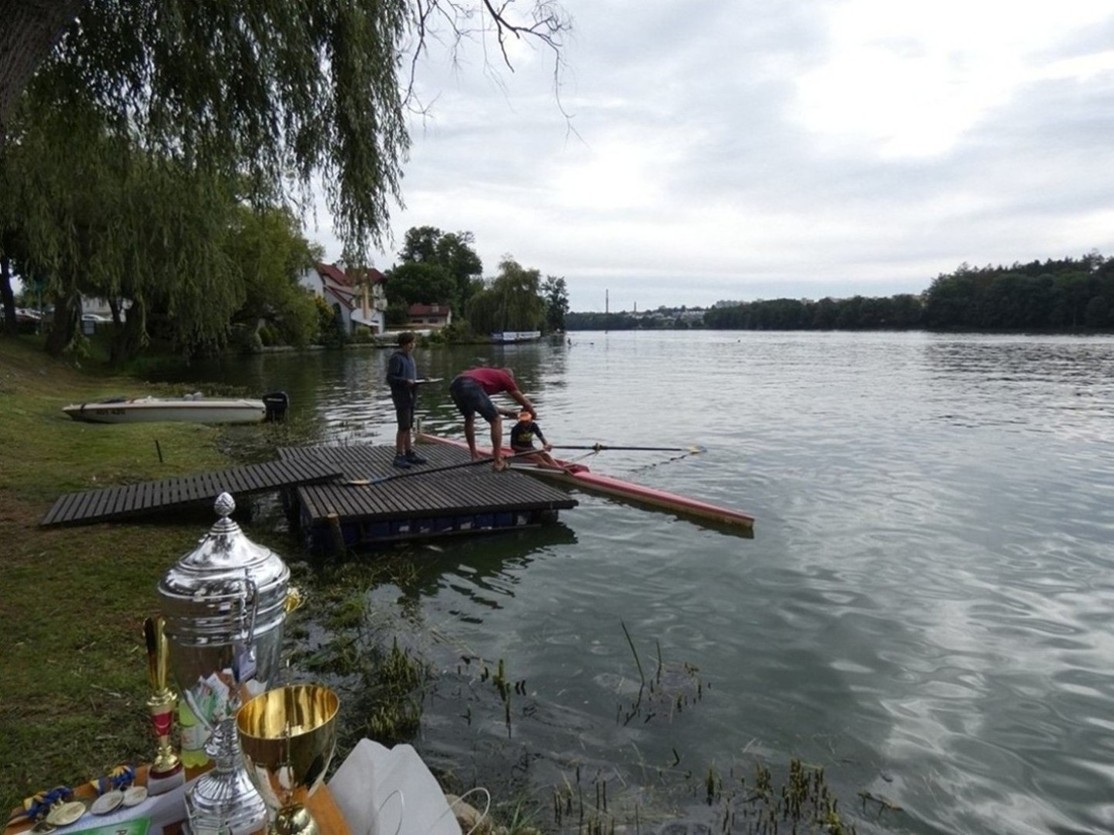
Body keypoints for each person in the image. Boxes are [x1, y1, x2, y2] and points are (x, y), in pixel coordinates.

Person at [449, 366, 535, 470]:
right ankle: (498, 461)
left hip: (455, 386)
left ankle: (474, 455)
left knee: (469, 418)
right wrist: (532, 413)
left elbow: (484, 406)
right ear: (510, 377)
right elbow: (525, 402)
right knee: (496, 420)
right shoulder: (505, 377)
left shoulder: (489, 376)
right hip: (470, 385)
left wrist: (507, 413)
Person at [385, 331, 427, 469]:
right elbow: (391, 378)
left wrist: (421, 380)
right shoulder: (396, 358)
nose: (412, 345)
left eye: (413, 342)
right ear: (403, 344)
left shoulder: (410, 357)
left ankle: (409, 452)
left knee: (408, 425)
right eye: (410, 343)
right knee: (403, 426)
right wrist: (405, 382)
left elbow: (411, 376)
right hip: (401, 396)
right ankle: (398, 455)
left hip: (411, 395)